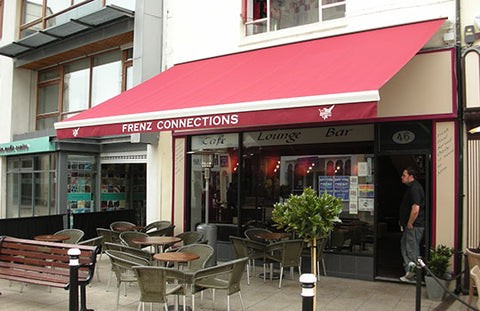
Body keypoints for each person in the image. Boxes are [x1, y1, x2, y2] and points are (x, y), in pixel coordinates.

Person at [399, 166, 425, 282]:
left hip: (414, 226)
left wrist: (410, 223)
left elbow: (415, 209)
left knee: (411, 249)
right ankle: (408, 272)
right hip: (411, 225)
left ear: (411, 177)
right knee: (405, 246)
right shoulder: (412, 188)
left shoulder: (414, 189)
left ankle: (414, 276)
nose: (402, 177)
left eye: (404, 175)